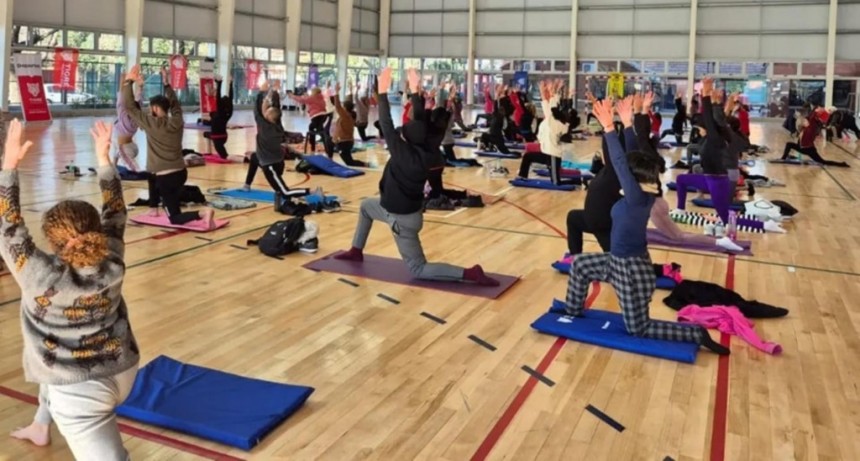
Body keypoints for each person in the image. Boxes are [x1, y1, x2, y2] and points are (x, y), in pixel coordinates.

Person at [5, 119, 141, 459]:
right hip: (122, 368)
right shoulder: (112, 255)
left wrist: (9, 165)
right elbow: (116, 210)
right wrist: (104, 158)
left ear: (53, 242)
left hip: (80, 391)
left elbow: (9, 224)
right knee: (50, 359)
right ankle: (40, 424)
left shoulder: (35, 274)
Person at [564, 98, 730, 355]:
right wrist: (628, 123)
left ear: (635, 180)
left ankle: (695, 333)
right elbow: (631, 158)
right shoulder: (642, 192)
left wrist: (609, 128)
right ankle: (571, 312)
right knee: (580, 265)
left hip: (631, 272)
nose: (624, 177)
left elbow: (621, 163)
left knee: (637, 328)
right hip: (616, 261)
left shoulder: (636, 198)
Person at [333, 67, 499, 286]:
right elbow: (420, 121)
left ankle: (469, 274)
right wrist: (414, 90)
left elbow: (386, 124)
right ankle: (356, 250)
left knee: (418, 269)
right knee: (365, 206)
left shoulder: (405, 155)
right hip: (397, 209)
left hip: (401, 219)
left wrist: (382, 93)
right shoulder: (428, 149)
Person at [123, 65, 216, 228]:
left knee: (174, 217)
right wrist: (167, 84)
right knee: (152, 173)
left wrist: (128, 82)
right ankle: (154, 208)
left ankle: (203, 214)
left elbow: (130, 107)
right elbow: (175, 105)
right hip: (181, 172)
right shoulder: (177, 120)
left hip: (166, 178)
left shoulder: (152, 124)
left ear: (155, 108)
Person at [243, 79, 309, 205]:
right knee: (254, 157)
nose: (265, 110)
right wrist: (274, 91)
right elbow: (276, 108)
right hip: (275, 160)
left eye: (267, 112)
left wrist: (262, 92)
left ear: (267, 117)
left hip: (271, 166)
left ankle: (310, 192)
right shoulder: (277, 125)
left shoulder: (265, 128)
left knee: (284, 192)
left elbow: (257, 110)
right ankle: (247, 184)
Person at [516, 79, 575, 185]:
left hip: (553, 155)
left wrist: (547, 91)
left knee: (556, 182)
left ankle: (577, 181)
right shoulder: (559, 122)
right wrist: (556, 91)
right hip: (546, 152)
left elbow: (551, 105)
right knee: (527, 156)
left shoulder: (554, 122)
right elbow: (554, 106)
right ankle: (522, 176)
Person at [780, 106, 850, 167]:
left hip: (809, 150)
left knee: (823, 162)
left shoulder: (811, 128)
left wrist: (816, 109)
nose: (804, 121)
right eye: (804, 121)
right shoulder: (805, 128)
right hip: (802, 147)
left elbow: (812, 118)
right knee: (789, 144)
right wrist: (814, 110)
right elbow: (809, 117)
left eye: (805, 121)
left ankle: (842, 164)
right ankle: (784, 158)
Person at [331, 82, 366, 167]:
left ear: (345, 108)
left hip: (344, 143)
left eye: (344, 106)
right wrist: (351, 90)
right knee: (329, 141)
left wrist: (336, 92)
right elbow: (349, 102)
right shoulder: (348, 114)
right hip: (343, 141)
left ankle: (365, 164)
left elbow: (338, 106)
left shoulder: (346, 116)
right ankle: (329, 157)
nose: (342, 107)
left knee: (349, 162)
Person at [114, 72, 143, 171]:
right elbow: (139, 100)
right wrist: (140, 86)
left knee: (135, 170)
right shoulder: (137, 115)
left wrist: (122, 80)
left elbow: (121, 95)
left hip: (126, 148)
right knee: (116, 152)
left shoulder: (123, 115)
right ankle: (114, 166)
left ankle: (140, 173)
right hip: (132, 147)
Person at [288, 86, 331, 153]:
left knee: (311, 129)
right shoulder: (321, 98)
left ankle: (313, 146)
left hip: (316, 116)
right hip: (323, 116)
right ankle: (326, 146)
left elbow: (302, 100)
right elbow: (310, 100)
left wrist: (292, 96)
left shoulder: (313, 98)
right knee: (320, 130)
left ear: (314, 92)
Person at [203, 75, 234, 159]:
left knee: (225, 157)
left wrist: (219, 84)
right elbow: (231, 97)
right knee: (206, 133)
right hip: (223, 136)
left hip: (217, 138)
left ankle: (244, 160)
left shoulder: (219, 112)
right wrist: (231, 84)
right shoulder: (229, 112)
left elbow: (218, 97)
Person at [478, 85, 512, 154]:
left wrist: (501, 92)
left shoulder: (499, 113)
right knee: (492, 137)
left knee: (488, 136)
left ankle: (487, 144)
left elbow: (498, 104)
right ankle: (487, 145)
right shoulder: (499, 113)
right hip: (496, 129)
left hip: (497, 130)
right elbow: (497, 105)